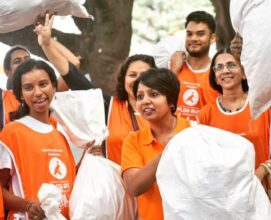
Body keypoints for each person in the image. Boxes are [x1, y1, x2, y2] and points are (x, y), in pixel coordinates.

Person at [34, 14, 154, 164]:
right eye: (132, 75)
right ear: (123, 80)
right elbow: (73, 76)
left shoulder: (165, 110)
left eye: (145, 75)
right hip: (115, 184)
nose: (138, 80)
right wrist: (47, 45)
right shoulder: (109, 107)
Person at [197, 47, 271, 180]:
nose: (225, 70)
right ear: (216, 78)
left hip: (261, 194)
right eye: (219, 67)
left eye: (231, 65)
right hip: (223, 196)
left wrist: (264, 170)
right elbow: (201, 160)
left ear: (243, 73)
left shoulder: (263, 107)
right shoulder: (204, 116)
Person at [0, 59, 76, 219]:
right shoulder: (12, 132)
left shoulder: (62, 133)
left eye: (43, 84)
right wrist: (27, 205)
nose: (38, 92)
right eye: (29, 87)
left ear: (54, 86)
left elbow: (71, 180)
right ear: (20, 94)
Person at [121, 68, 191, 220]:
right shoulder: (133, 140)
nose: (145, 101)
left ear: (171, 101)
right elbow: (133, 187)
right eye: (140, 96)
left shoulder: (193, 132)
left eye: (154, 94)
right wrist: (167, 151)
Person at [169, 11, 219, 121]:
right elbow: (161, 100)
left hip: (205, 135)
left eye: (200, 34)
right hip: (174, 136)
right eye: (189, 34)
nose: (193, 38)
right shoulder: (172, 65)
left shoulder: (219, 72)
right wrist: (174, 71)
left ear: (212, 38)